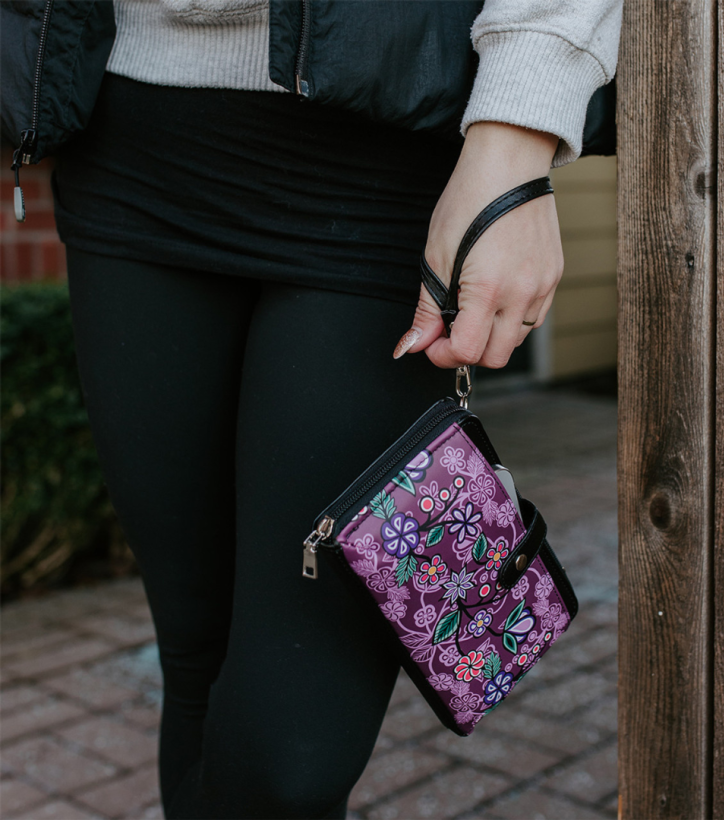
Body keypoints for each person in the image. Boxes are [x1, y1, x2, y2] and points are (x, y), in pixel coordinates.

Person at [2, 1, 622, 816]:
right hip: (129, 143)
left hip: (378, 162)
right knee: (200, 664)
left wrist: (520, 128)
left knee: (289, 760)